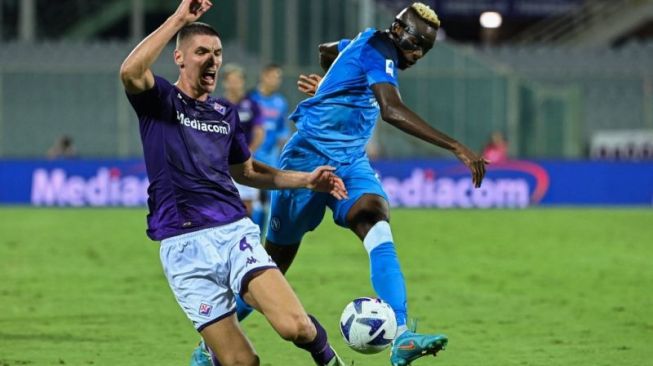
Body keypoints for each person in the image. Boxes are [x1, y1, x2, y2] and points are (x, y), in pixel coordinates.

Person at [240, 3, 489, 366]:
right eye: (417, 44)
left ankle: (402, 335)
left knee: (376, 220)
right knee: (272, 266)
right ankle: (213, 344)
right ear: (400, 35)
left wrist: (329, 86)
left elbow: (328, 50)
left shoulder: (365, 42)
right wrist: (456, 146)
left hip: (351, 162)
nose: (419, 54)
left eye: (426, 49)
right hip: (306, 159)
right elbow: (391, 109)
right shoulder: (379, 49)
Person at [118, 1, 348, 365]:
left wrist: (306, 180)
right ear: (179, 57)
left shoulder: (224, 114)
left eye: (218, 53)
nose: (212, 60)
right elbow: (130, 71)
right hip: (181, 249)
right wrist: (179, 18)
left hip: (231, 233)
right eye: (202, 52)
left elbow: (248, 172)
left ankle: (330, 360)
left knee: (295, 328)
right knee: (242, 362)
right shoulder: (159, 101)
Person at [248, 64, 290, 230]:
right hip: (252, 155)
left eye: (279, 77)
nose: (277, 80)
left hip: (271, 157)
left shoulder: (280, 102)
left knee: (268, 201)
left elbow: (282, 129)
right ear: (264, 75)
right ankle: (251, 236)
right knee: (253, 200)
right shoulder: (251, 99)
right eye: (274, 76)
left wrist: (283, 145)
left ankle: (263, 237)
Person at [222, 63, 265, 217]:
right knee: (224, 204)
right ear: (225, 82)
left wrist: (249, 152)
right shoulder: (217, 105)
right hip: (222, 163)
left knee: (247, 206)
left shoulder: (252, 105)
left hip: (244, 162)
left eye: (237, 79)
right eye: (230, 80)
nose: (234, 83)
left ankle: (247, 238)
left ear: (243, 82)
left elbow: (259, 131)